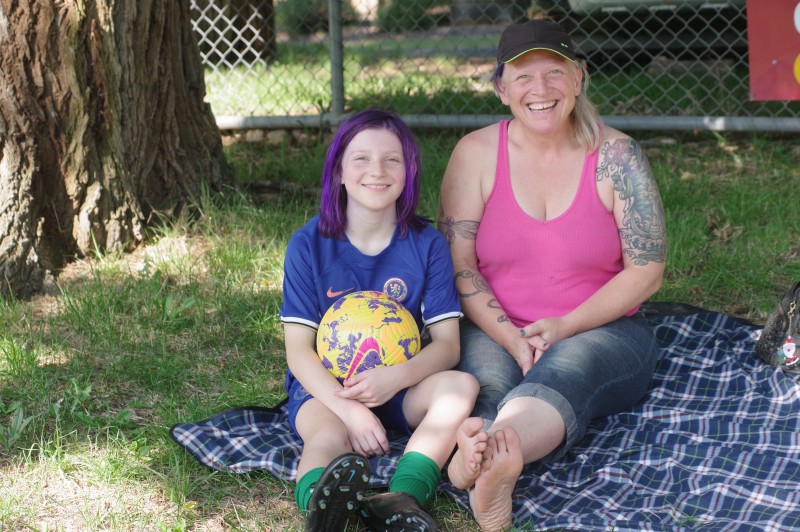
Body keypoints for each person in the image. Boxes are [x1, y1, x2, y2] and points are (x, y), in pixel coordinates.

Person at [438, 19, 667, 531]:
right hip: (494, 324)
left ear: (578, 78)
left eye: (554, 72)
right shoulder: (475, 154)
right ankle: (482, 466)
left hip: (602, 328)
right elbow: (459, 265)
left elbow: (647, 271)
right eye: (523, 76)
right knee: (485, 385)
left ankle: (486, 460)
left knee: (565, 372)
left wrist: (564, 326)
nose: (540, 89)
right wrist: (510, 336)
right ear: (501, 89)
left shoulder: (617, 156)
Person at [280, 108, 478, 532]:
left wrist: (396, 377)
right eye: (362, 159)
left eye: (392, 159)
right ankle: (321, 507)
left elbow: (448, 345)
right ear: (338, 171)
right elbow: (297, 350)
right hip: (327, 390)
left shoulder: (428, 245)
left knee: (461, 386)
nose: (377, 170)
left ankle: (402, 497)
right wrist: (349, 411)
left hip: (399, 385)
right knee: (328, 437)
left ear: (409, 171)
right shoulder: (307, 245)